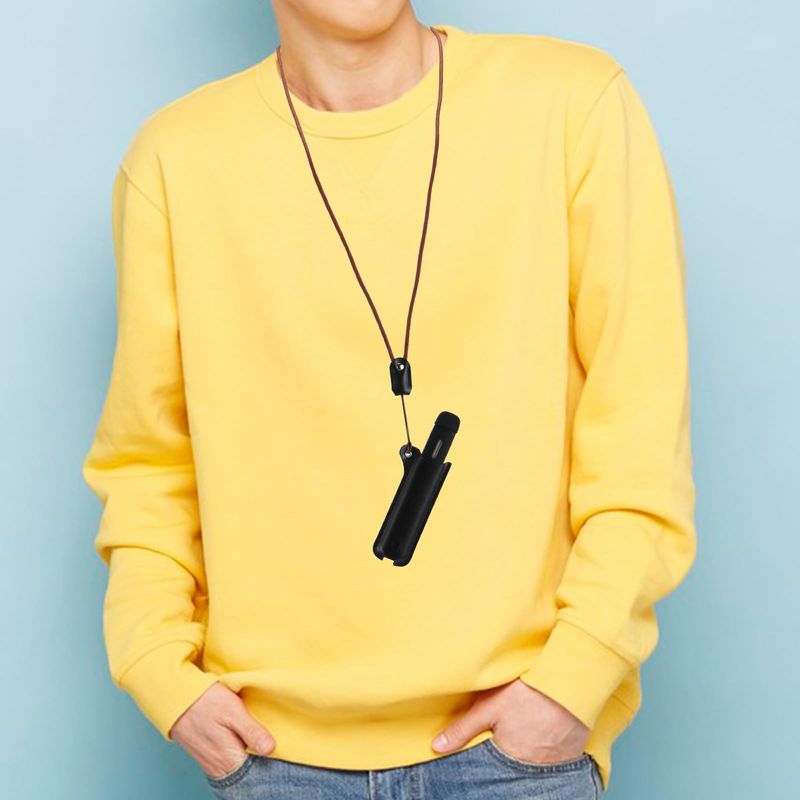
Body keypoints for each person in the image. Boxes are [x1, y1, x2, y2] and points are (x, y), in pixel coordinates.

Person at [83, 2, 697, 797]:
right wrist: (158, 668)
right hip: (273, 754)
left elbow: (639, 432)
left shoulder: (571, 105)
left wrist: (575, 677)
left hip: (516, 752)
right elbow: (147, 464)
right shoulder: (176, 160)